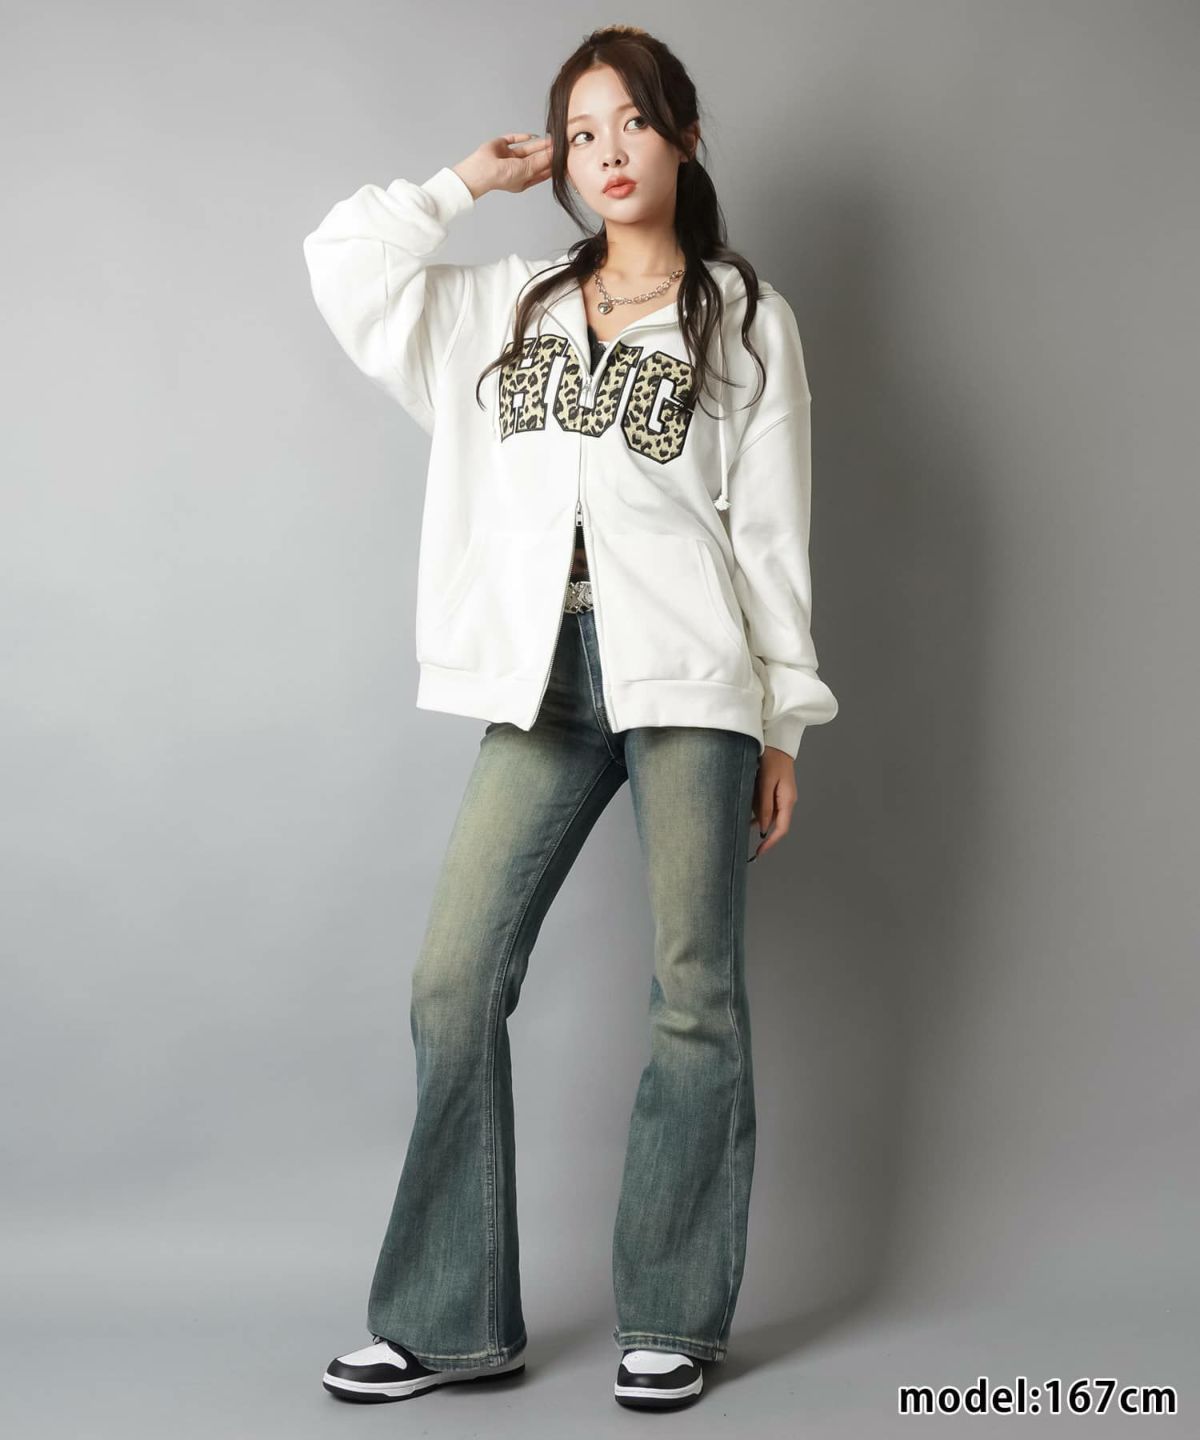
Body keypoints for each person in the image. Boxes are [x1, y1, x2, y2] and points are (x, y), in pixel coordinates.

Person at [303, 24, 838, 1414]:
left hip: (693, 682)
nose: (608, 152)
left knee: (694, 995)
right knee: (452, 980)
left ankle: (673, 1317)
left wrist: (783, 721)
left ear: (685, 139)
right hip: (538, 676)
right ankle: (446, 1324)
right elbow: (342, 264)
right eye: (583, 131)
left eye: (634, 123)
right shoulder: (509, 306)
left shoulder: (746, 319)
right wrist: (458, 186)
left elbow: (771, 537)